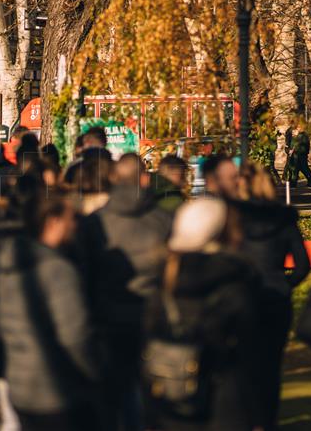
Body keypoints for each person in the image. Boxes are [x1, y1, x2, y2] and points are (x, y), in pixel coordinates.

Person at [143, 198, 260, 431]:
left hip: (169, 396)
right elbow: (251, 350)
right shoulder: (233, 280)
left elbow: (148, 334)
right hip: (224, 401)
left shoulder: (164, 277)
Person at [0, 193, 102, 431]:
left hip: (20, 385)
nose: (74, 225)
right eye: (70, 219)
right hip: (56, 389)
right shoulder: (58, 270)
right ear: (53, 222)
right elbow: (76, 336)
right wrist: (94, 375)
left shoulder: (7, 264)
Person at [84, 153, 172, 430]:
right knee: (152, 389)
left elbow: (85, 271)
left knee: (113, 393)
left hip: (107, 317)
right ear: (144, 179)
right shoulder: (163, 220)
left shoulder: (95, 223)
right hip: (153, 315)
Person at [234, 162, 310, 430]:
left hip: (244, 298)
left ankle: (248, 418)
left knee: (244, 365)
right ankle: (266, 422)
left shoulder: (236, 219)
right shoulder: (283, 218)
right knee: (271, 366)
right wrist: (283, 284)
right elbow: (303, 265)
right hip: (276, 298)